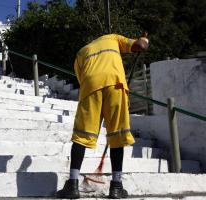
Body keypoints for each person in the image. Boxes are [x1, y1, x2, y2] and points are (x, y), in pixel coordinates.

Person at [56, 34, 149, 199]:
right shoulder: (112, 38)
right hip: (116, 84)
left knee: (81, 136)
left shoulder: (82, 52)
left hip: (90, 86)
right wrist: (145, 40)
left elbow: (82, 78)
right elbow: (139, 46)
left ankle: (72, 185)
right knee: (117, 136)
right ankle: (117, 186)